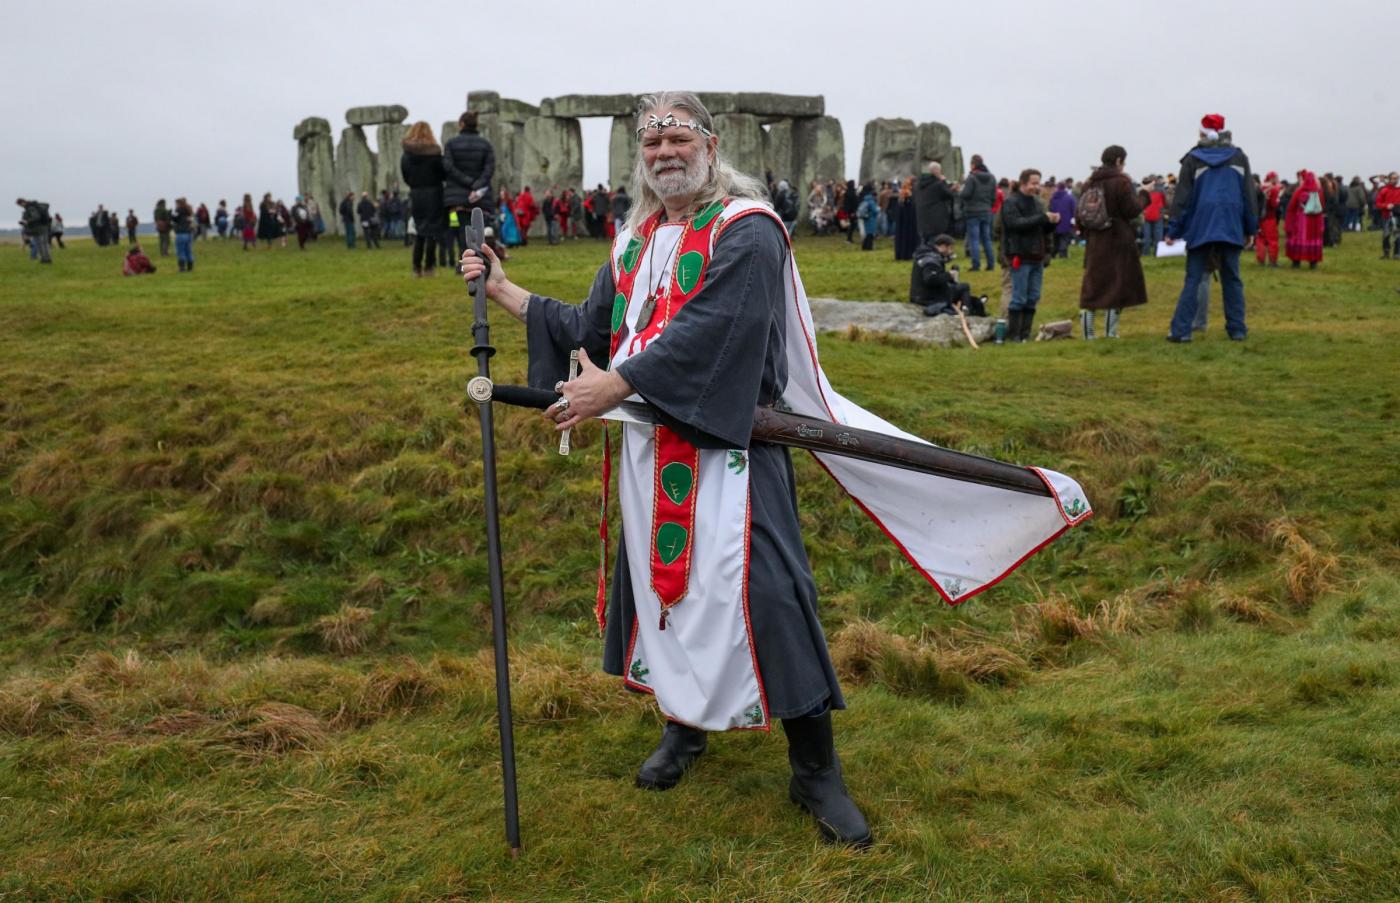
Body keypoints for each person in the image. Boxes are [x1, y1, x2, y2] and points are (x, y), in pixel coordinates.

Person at [458, 90, 1090, 850]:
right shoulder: (631, 243)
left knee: (769, 598)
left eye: (678, 140)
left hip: (731, 457)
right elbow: (589, 328)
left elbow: (716, 330)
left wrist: (615, 385)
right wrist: (505, 290)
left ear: (712, 147)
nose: (664, 154)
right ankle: (684, 726)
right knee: (667, 596)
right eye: (651, 144)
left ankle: (814, 769)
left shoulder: (746, 232)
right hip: (648, 458)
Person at [1164, 114, 1257, 343]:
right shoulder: (1238, 157)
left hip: (1200, 225)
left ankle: (1181, 331)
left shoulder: (1193, 159)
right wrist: (1251, 228)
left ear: (1202, 133)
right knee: (1232, 278)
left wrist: (1173, 230)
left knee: (1193, 278)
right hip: (1231, 223)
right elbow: (1248, 195)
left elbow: (1182, 198)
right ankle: (1237, 329)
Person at [1078, 146, 1146, 339]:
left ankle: (1087, 333)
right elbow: (1132, 210)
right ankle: (1110, 332)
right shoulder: (1121, 182)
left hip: (1095, 238)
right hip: (1118, 237)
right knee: (1118, 284)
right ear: (1118, 161)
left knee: (1092, 286)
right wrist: (1144, 196)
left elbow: (1080, 212)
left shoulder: (1089, 182)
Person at [1001, 169, 1059, 342]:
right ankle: (1014, 335)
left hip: (1037, 256)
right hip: (1020, 254)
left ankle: (1025, 333)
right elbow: (1015, 224)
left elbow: (1042, 228)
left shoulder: (1038, 203)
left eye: (1038, 183)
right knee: (1018, 297)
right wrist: (1042, 218)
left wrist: (1053, 222)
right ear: (1023, 183)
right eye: (1034, 183)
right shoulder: (1011, 202)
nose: (1037, 186)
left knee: (1033, 296)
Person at [443, 110, 496, 265]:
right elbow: (489, 168)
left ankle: (463, 263)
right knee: (480, 229)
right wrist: (477, 184)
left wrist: (466, 181)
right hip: (480, 195)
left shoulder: (451, 144)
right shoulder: (485, 145)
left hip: (457, 196)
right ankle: (481, 261)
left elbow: (448, 167)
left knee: (461, 231)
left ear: (461, 124)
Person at [401, 121, 446, 277]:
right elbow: (443, 174)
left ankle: (416, 268)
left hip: (416, 193)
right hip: (434, 193)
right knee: (432, 231)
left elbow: (405, 176)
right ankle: (429, 267)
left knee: (419, 230)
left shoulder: (406, 155)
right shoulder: (435, 154)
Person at [910, 234, 986, 317]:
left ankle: (968, 307)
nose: (951, 251)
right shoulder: (931, 261)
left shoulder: (927, 254)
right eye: (950, 248)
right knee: (964, 287)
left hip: (919, 295)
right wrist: (948, 275)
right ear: (943, 246)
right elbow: (930, 279)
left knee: (956, 288)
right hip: (928, 297)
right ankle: (967, 311)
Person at [959, 155, 997, 270]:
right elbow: (993, 197)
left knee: (974, 240)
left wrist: (959, 191)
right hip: (986, 211)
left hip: (972, 212)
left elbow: (965, 194)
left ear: (973, 165)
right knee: (986, 239)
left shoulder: (971, 178)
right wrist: (988, 206)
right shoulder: (992, 178)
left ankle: (976, 265)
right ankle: (991, 264)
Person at [1284, 170, 1325, 269]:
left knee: (1299, 239)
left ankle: (1296, 261)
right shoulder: (1318, 192)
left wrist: (1289, 221)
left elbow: (1291, 206)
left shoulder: (1299, 191)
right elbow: (1322, 206)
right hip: (1315, 219)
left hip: (1301, 219)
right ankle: (1313, 262)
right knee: (1313, 239)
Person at [913, 161, 954, 245]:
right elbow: (949, 195)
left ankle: (923, 256)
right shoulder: (938, 184)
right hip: (936, 219)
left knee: (924, 241)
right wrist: (944, 181)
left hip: (922, 218)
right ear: (937, 171)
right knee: (935, 243)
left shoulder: (918, 185)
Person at [1255, 172, 1283, 266]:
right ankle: (1273, 261)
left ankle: (1261, 260)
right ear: (1273, 178)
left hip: (1259, 218)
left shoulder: (1260, 187)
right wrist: (1278, 200)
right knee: (1272, 240)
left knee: (1260, 239)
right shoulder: (1274, 189)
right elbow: (1274, 204)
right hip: (1270, 217)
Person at [16, 197, 53, 264]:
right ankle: (45, 258)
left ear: (23, 202)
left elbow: (36, 217)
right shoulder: (32, 206)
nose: (20, 206)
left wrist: (27, 221)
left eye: (20, 204)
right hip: (40, 227)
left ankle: (46, 259)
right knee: (42, 244)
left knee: (42, 244)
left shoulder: (30, 208)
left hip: (40, 228)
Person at [1373, 172, 1400, 259]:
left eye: (1396, 178)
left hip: (1398, 216)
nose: (1395, 180)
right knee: (1386, 235)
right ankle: (1386, 253)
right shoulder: (1384, 190)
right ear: (1389, 179)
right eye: (1393, 178)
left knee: (1397, 235)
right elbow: (1378, 203)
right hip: (1386, 216)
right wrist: (1386, 205)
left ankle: (1397, 254)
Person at [1048, 180, 1077, 259]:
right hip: (1066, 222)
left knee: (1055, 240)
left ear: (1057, 187)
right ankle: (1063, 255)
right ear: (1065, 188)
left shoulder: (1053, 198)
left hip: (1055, 221)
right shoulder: (1070, 198)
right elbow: (1074, 210)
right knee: (1064, 239)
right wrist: (1073, 220)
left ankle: (1053, 254)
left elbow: (1050, 209)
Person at [894, 176, 920, 261]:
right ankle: (909, 254)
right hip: (911, 219)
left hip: (903, 219)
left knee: (902, 236)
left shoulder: (903, 192)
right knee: (910, 236)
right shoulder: (911, 193)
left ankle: (901, 254)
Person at [172, 197, 195, 272]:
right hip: (189, 233)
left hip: (181, 233)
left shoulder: (178, 210)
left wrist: (171, 214)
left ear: (179, 204)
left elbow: (175, 219)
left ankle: (182, 268)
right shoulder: (189, 211)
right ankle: (190, 268)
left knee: (181, 251)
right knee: (189, 251)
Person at [856, 182, 879, 251]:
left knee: (866, 234)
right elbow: (875, 211)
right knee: (870, 234)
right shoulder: (871, 201)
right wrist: (878, 210)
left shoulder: (864, 200)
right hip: (871, 219)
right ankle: (869, 247)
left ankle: (864, 247)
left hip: (865, 218)